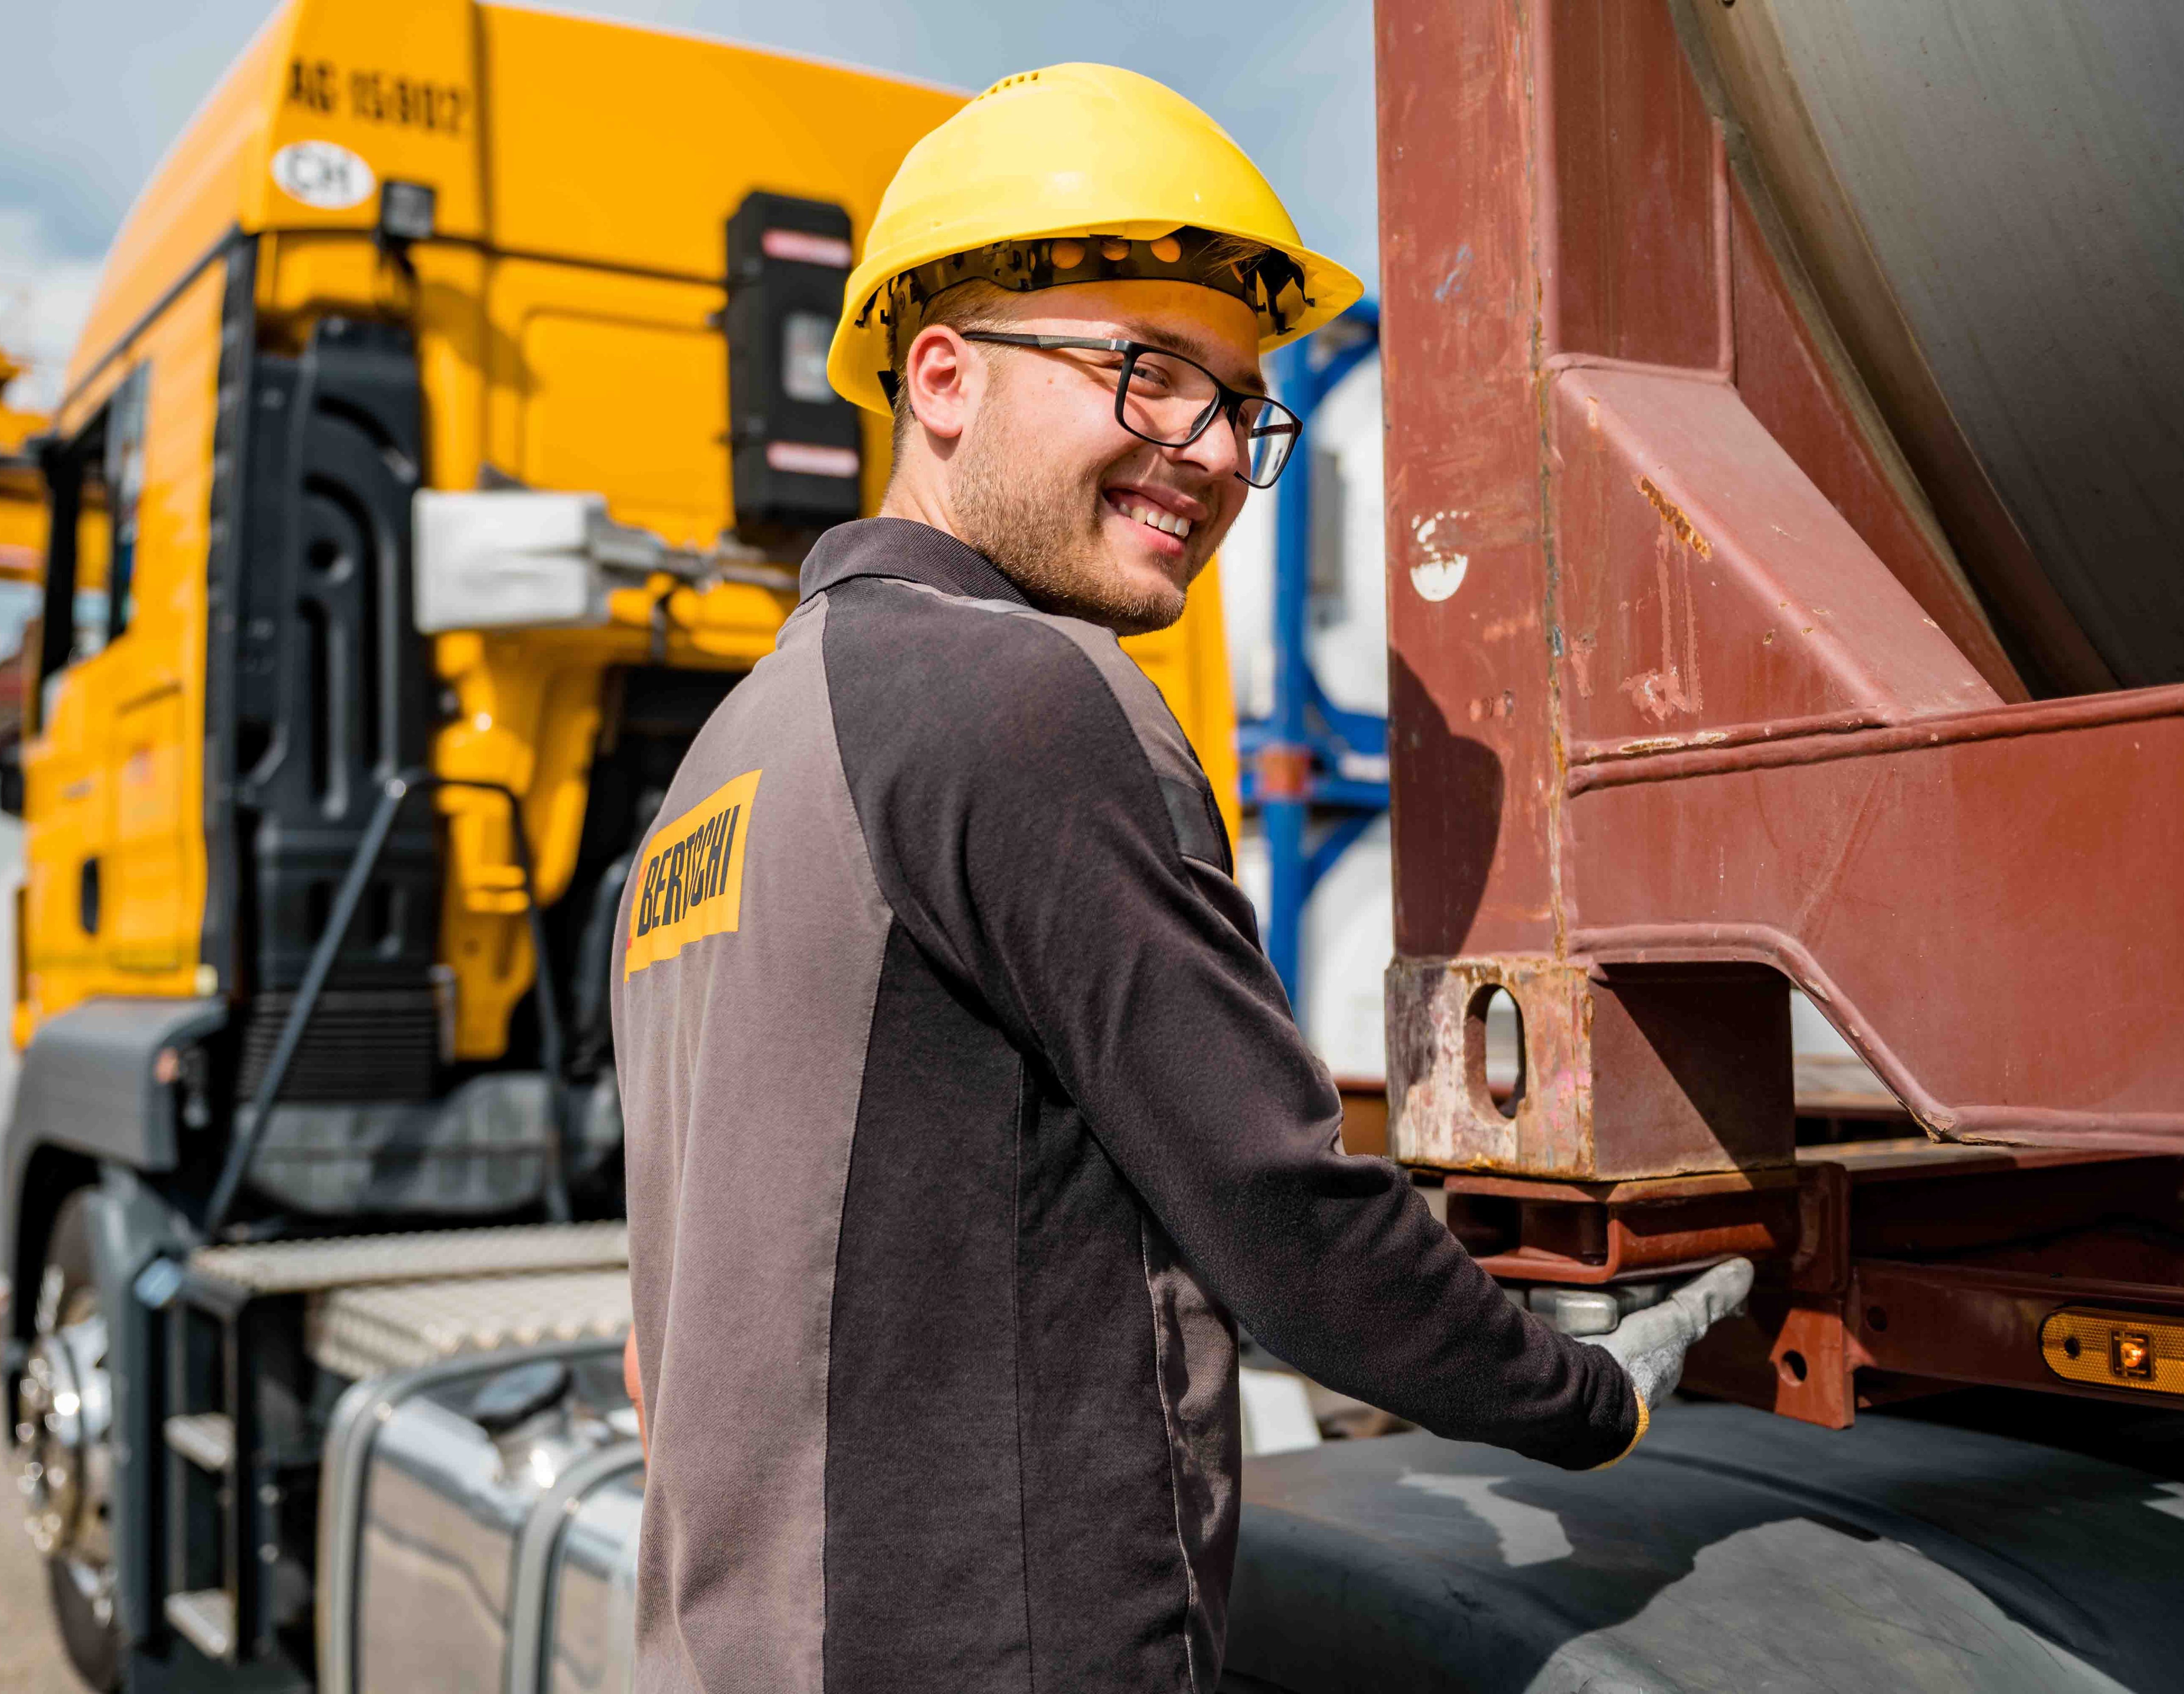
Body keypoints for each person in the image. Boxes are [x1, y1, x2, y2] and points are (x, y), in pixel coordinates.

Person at [612, 62, 1751, 1694]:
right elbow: (1281, 1219)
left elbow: (666, 1327)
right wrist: (1587, 1397)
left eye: (1240, 403)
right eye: (1147, 375)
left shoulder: (726, 761)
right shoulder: (1022, 702)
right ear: (940, 376)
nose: (1212, 453)